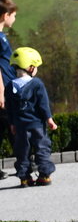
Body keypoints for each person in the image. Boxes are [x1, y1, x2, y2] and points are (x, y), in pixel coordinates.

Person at [8, 47, 57, 187]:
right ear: (30, 68)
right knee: (42, 149)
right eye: (36, 67)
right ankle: (44, 176)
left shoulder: (9, 86)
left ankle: (25, 178)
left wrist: (12, 124)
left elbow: (10, 109)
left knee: (22, 151)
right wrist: (49, 119)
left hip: (20, 126)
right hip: (37, 125)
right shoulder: (37, 84)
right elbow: (43, 104)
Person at [0, 0, 15, 180]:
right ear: (5, 15)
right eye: (14, 15)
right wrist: (1, 92)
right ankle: (26, 163)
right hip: (3, 90)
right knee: (13, 125)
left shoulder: (2, 36)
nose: (15, 19)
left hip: (7, 87)